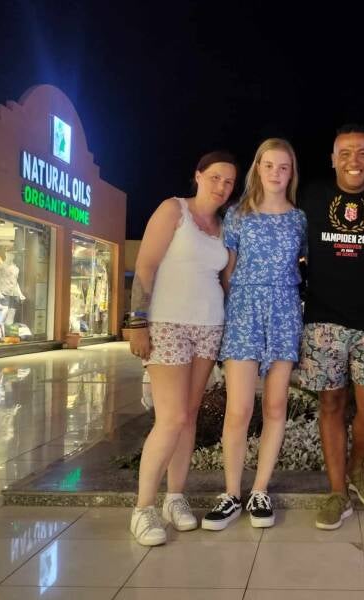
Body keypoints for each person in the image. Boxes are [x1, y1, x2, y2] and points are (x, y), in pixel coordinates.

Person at [128, 151, 237, 546]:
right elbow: (145, 266)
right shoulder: (174, 210)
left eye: (229, 181)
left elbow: (226, 282)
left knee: (189, 416)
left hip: (209, 326)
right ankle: (143, 509)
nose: (222, 186)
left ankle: (175, 497)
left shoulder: (223, 227)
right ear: (198, 175)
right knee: (171, 418)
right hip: (168, 323)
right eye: (216, 177)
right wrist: (137, 323)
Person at [296, 124, 364, 530]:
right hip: (322, 319)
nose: (353, 161)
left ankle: (357, 467)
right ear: (332, 159)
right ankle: (337, 491)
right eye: (345, 153)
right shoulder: (311, 195)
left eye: (362, 153)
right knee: (331, 406)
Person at [201, 138, 307, 531]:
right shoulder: (238, 214)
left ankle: (260, 490)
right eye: (269, 165)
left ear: (291, 173)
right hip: (244, 311)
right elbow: (227, 272)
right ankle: (231, 492)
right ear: (257, 169)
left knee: (276, 407)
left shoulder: (299, 219)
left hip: (284, 313)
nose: (276, 173)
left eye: (284, 167)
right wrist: (237, 309)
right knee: (239, 408)